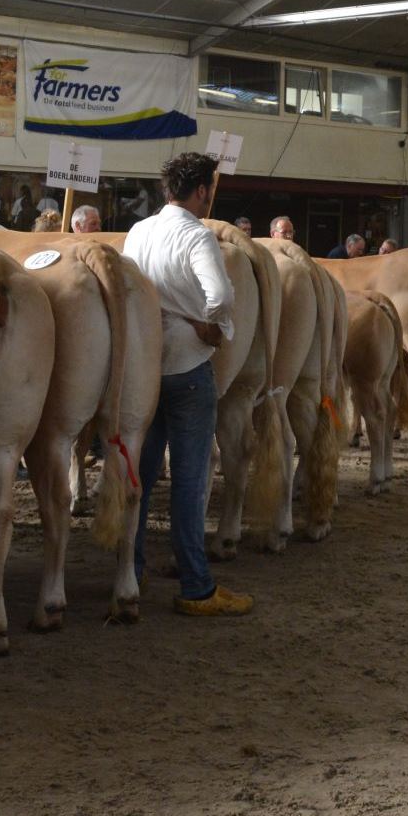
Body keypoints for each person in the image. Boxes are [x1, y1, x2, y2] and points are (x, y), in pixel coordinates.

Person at [122, 152, 252, 617]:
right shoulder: (197, 235)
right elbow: (218, 296)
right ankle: (196, 586)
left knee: (140, 474)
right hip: (188, 366)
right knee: (190, 480)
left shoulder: (138, 232)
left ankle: (130, 573)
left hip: (144, 365)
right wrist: (211, 327)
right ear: (201, 191)